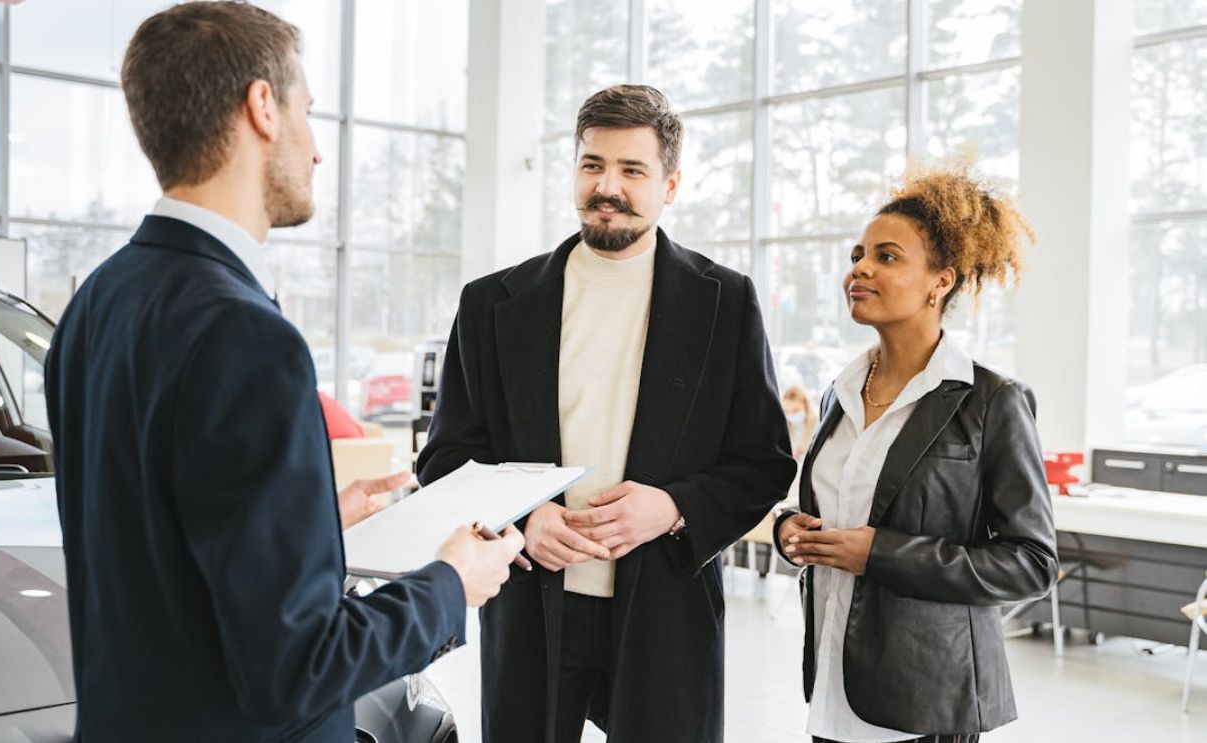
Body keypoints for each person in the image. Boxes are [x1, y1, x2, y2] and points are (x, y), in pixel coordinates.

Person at [43, 4, 523, 741]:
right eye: (307, 111)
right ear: (262, 107)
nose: (316, 149)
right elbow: (296, 667)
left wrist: (312, 526)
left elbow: (150, 549)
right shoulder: (244, 333)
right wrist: (450, 587)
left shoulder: (98, 301)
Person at [417, 84, 796, 743]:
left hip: (663, 611)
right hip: (532, 605)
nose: (607, 186)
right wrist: (521, 518)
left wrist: (672, 508)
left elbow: (762, 462)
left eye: (631, 170)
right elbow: (445, 455)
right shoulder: (491, 304)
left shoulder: (724, 302)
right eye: (592, 165)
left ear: (669, 184)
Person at [772, 167, 1058, 742]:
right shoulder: (841, 392)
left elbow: (1032, 561)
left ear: (940, 281)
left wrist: (880, 554)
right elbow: (819, 502)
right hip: (835, 685)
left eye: (887, 256)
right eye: (857, 254)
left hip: (927, 698)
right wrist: (790, 532)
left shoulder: (991, 401)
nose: (860, 268)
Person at [782, 385, 818, 459]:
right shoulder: (785, 427)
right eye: (787, 411)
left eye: (795, 410)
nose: (791, 415)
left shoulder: (818, 424)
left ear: (806, 405)